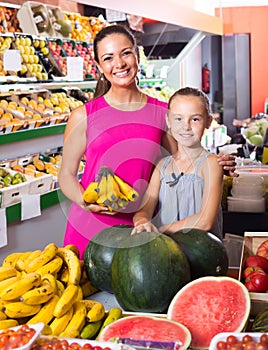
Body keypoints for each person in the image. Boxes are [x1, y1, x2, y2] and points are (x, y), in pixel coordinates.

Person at [58, 24, 235, 257]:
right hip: (90, 228)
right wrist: (84, 201)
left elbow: (183, 161)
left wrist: (216, 162)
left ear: (137, 55)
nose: (119, 64)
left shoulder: (163, 113)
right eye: (108, 58)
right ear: (100, 67)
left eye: (126, 53)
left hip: (140, 228)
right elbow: (66, 174)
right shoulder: (83, 115)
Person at [132, 87, 223, 239]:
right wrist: (142, 221)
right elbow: (145, 208)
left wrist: (160, 230)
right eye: (178, 119)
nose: (186, 126)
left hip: (203, 257)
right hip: (168, 256)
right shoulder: (162, 166)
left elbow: (205, 221)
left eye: (195, 119)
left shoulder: (211, 163)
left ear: (208, 122)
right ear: (168, 120)